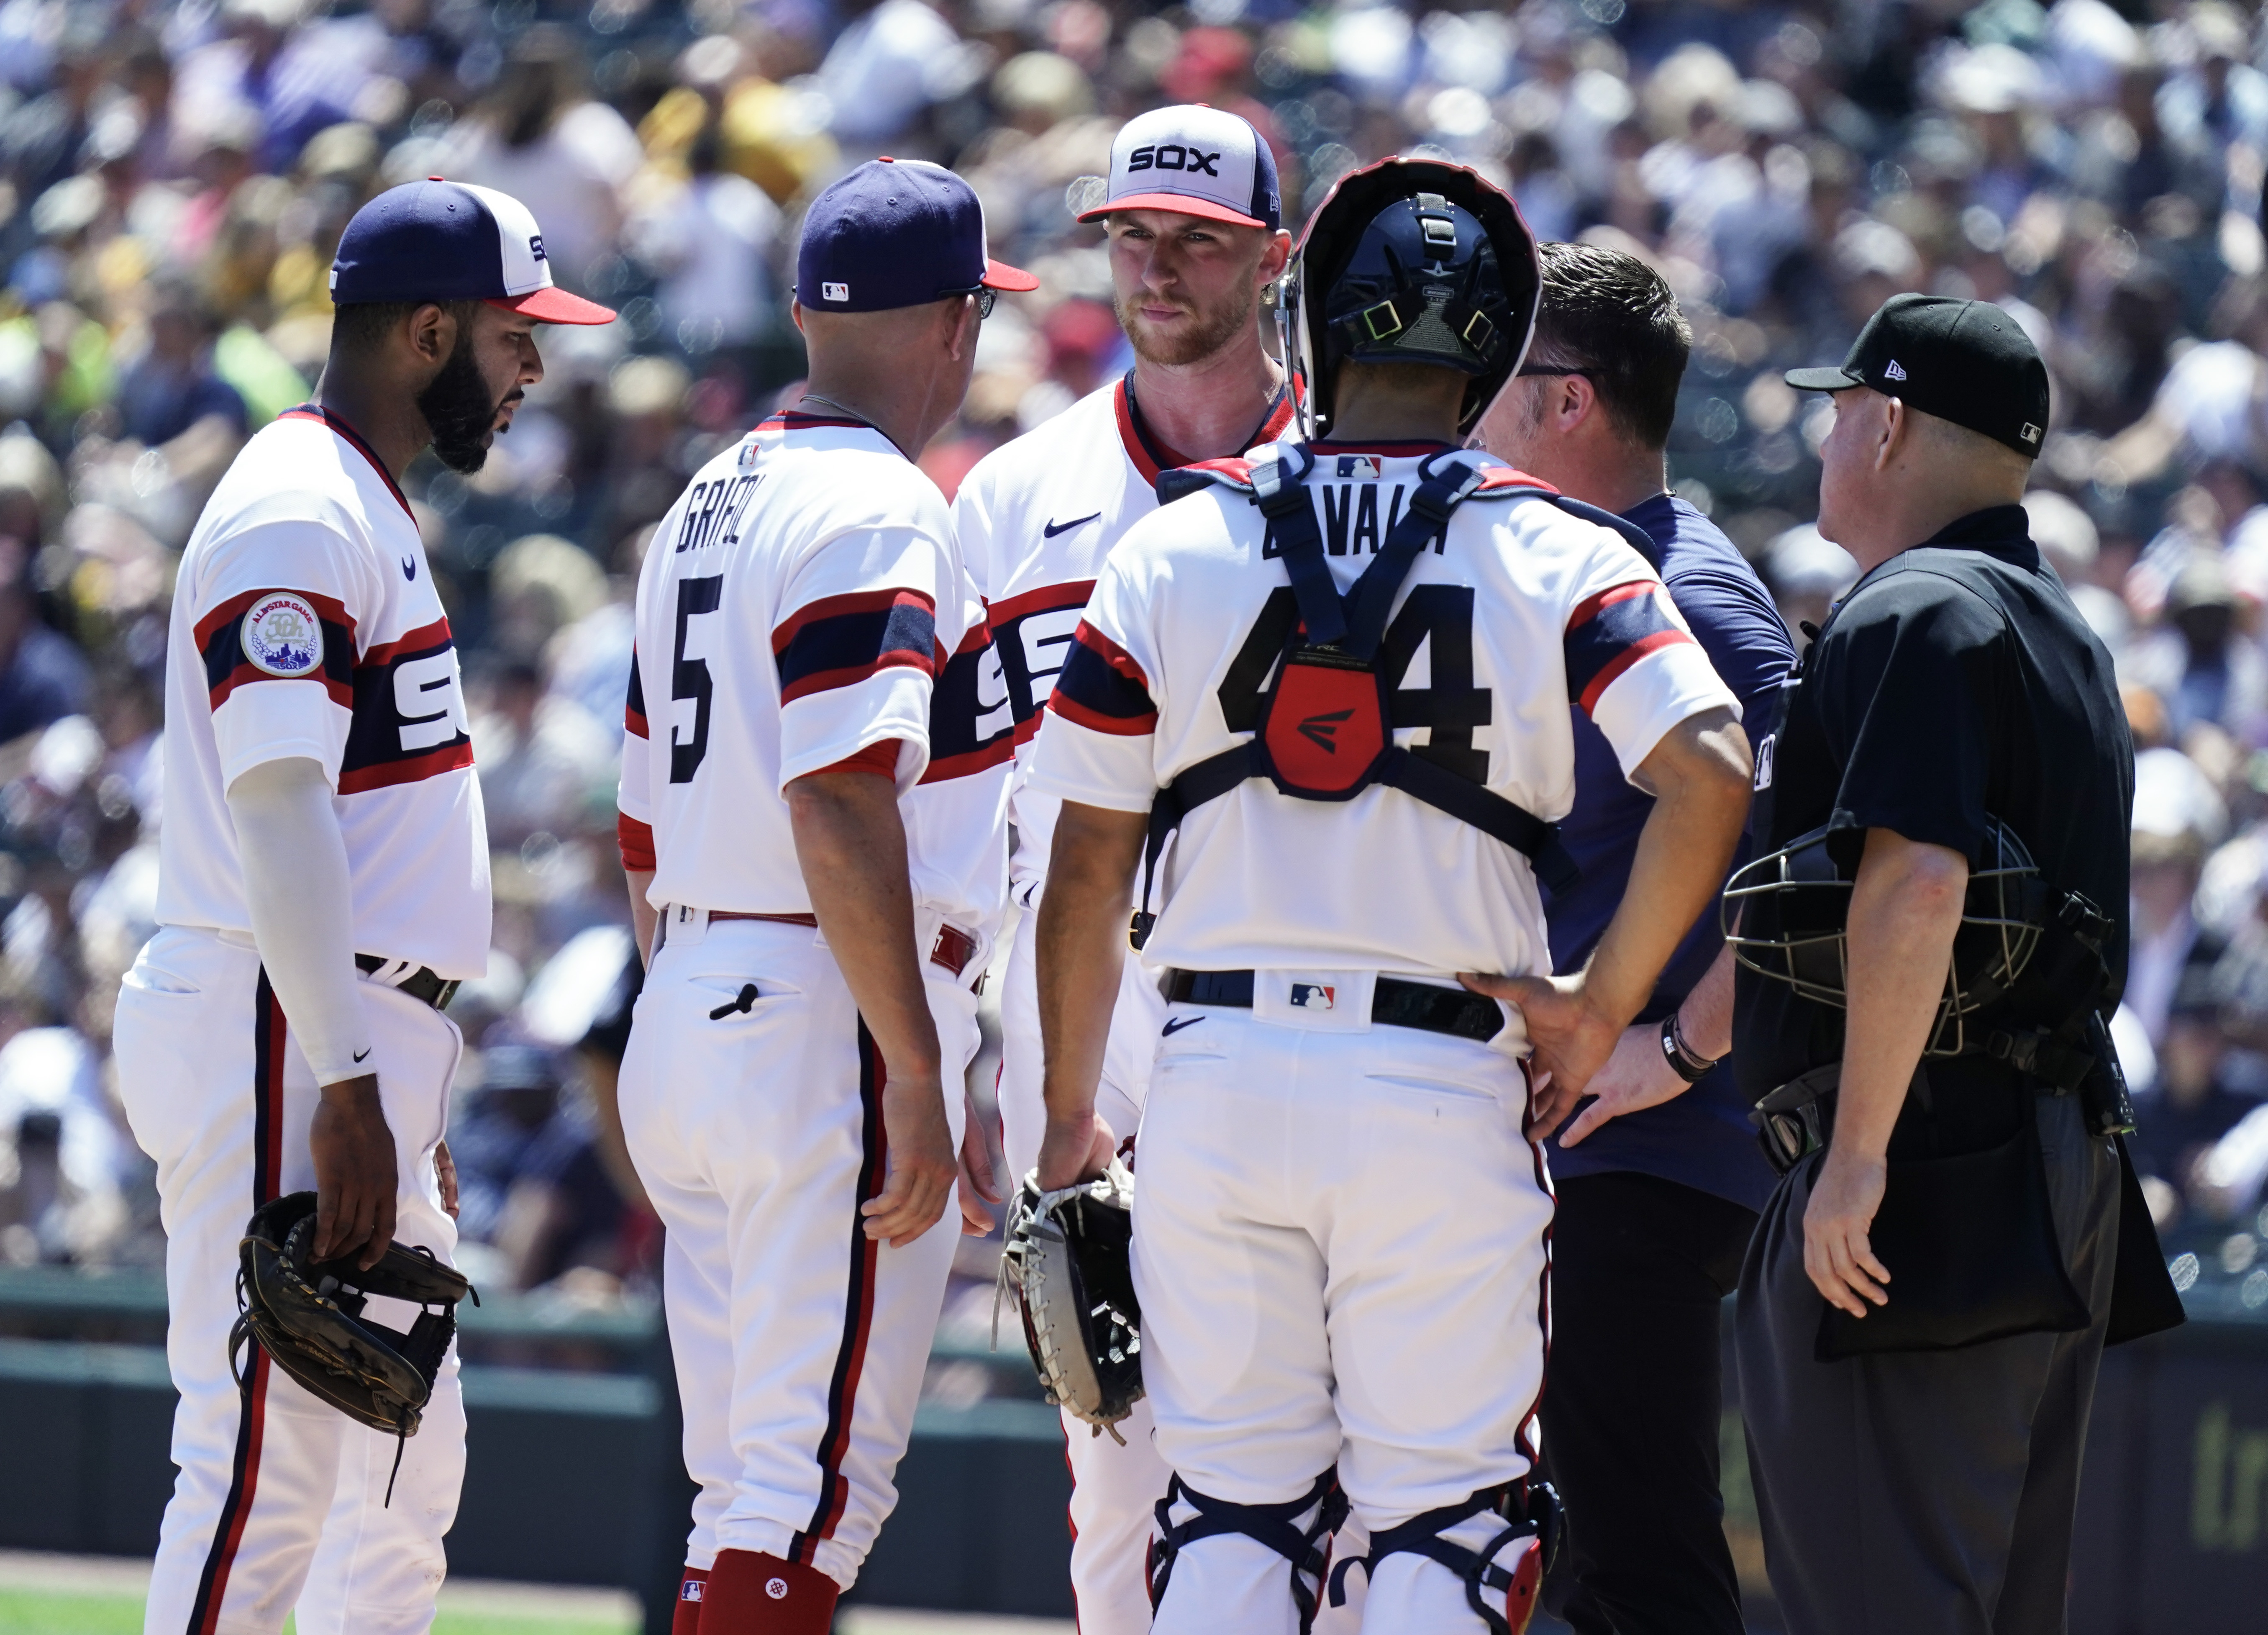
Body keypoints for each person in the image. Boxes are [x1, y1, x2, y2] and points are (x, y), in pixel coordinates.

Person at [1028, 157, 1753, 1635]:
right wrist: (1602, 1008)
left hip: (1212, 1076)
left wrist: (1062, 1113)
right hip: (1442, 1074)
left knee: (1226, 1516)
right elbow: (1714, 765)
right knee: (1446, 1522)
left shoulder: (1170, 540)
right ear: (1487, 351)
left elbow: (1086, 856)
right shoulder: (1564, 547)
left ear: (1312, 328)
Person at [111, 178, 613, 1635]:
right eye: (518, 338)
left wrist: (371, 1070)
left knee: (399, 1474)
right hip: (293, 1025)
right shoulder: (296, 502)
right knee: (261, 1464)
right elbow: (278, 806)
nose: (533, 371)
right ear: (431, 331)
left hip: (349, 1028)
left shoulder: (353, 499)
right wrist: (340, 1076)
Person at [613, 157, 1030, 1635]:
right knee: (808, 1497)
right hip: (829, 1004)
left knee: (743, 1489)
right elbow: (840, 790)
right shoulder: (881, 502)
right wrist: (913, 1057)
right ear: (961, 322)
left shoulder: (702, 502)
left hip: (694, 994)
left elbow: (638, 829)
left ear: (804, 311)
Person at [1737, 294, 2138, 1633]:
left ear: (1891, 421)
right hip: (2053, 1151)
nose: (1830, 436)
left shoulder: (1912, 607)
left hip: (1923, 1157)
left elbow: (1917, 883)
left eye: (1842, 408)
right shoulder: (2065, 630)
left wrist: (1856, 1154)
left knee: (1883, 1599)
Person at [949, 101, 1294, 1633]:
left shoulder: (1358, 476)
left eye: (1198, 240)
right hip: (1071, 999)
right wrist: (970, 1058)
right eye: (1133, 234)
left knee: (1310, 1453)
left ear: (1272, 258)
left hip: (1278, 985)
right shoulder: (1016, 493)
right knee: (1114, 1450)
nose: (1158, 266)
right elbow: (960, 804)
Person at [1471, 242, 1793, 1635]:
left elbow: (1803, 871)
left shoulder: (1695, 594)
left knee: (1639, 1545)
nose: (1471, 402)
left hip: (1650, 1150)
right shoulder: (1578, 568)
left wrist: (1675, 1044)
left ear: (1568, 402)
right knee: (1576, 1544)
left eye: (1498, 376)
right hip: (1582, 1137)